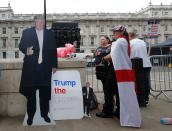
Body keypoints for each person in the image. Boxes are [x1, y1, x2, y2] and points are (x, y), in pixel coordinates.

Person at [19, 15, 57, 126]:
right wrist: (26, 50)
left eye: (41, 22)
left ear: (44, 23)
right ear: (34, 22)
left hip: (44, 68)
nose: (39, 24)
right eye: (37, 22)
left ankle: (45, 115)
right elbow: (21, 46)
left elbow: (53, 50)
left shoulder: (49, 33)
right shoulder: (27, 32)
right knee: (31, 94)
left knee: (44, 93)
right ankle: (30, 116)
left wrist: (54, 65)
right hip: (31, 68)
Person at [110, 25, 142, 127]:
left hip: (123, 72)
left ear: (120, 32)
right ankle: (130, 119)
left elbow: (113, 54)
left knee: (127, 97)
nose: (113, 34)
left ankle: (131, 120)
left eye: (115, 32)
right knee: (127, 96)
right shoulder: (124, 41)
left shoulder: (120, 42)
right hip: (125, 71)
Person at [129, 28, 152, 105]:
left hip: (138, 65)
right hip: (146, 64)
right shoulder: (142, 42)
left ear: (130, 36)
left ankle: (139, 98)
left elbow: (130, 54)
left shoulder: (130, 43)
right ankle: (146, 98)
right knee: (146, 82)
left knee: (138, 83)